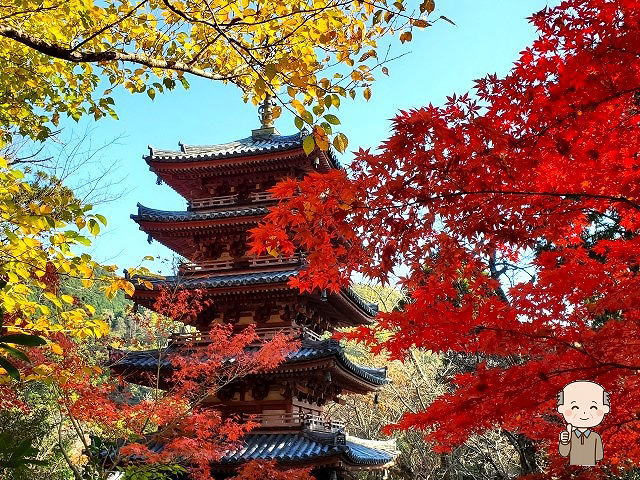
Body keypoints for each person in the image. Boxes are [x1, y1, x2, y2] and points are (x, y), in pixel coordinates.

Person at [557, 380, 610, 466]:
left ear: (604, 408)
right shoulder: (571, 436)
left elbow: (599, 456)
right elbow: (564, 453)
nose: (584, 413)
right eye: (575, 407)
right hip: (574, 469)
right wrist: (564, 441)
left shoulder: (595, 436)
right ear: (562, 408)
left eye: (593, 407)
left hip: (591, 470)